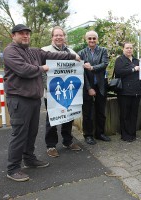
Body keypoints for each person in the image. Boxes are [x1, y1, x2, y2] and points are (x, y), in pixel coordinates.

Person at [3, 24, 80, 182]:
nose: (26, 36)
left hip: (33, 99)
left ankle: (29, 159)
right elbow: (24, 70)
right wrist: (43, 68)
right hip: (19, 99)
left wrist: (72, 56)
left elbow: (54, 55)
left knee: (31, 132)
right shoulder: (10, 51)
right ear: (13, 36)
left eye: (27, 34)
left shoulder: (34, 51)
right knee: (19, 134)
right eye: (21, 34)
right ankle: (13, 168)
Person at [42, 26, 81, 158]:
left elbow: (77, 68)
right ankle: (51, 146)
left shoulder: (71, 51)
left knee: (68, 117)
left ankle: (67, 141)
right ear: (52, 37)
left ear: (64, 37)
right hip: (51, 92)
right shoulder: (45, 51)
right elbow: (41, 71)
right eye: (56, 35)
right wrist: (47, 87)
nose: (59, 37)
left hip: (68, 93)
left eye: (61, 35)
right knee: (52, 119)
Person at [78, 30, 110, 145]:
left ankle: (100, 133)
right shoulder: (81, 53)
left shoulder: (103, 51)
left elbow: (104, 64)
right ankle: (88, 135)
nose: (92, 40)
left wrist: (91, 68)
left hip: (101, 85)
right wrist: (89, 88)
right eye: (89, 38)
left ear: (97, 39)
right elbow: (81, 73)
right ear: (86, 40)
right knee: (87, 113)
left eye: (94, 38)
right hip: (88, 86)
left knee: (101, 111)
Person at [114, 42, 141, 142]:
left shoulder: (137, 60)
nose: (129, 50)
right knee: (125, 114)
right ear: (123, 49)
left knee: (134, 114)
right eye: (127, 48)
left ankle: (132, 133)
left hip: (136, 91)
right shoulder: (120, 60)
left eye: (131, 48)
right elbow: (118, 72)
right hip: (124, 92)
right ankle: (125, 135)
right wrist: (133, 69)